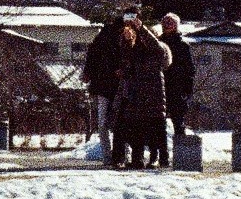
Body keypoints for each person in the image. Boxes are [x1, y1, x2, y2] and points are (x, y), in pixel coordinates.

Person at [117, 13, 172, 169]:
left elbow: (156, 48)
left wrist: (141, 28)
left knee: (156, 128)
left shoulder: (158, 50)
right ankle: (137, 158)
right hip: (137, 92)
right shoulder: (135, 50)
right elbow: (127, 60)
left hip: (153, 92)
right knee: (136, 127)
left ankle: (159, 158)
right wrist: (127, 38)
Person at [82, 13, 126, 162]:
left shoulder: (103, 36)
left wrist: (88, 73)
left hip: (106, 85)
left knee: (105, 124)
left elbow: (91, 56)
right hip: (113, 85)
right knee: (116, 124)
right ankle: (116, 156)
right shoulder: (111, 36)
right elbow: (92, 55)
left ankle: (111, 156)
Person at [158, 13, 194, 154]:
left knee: (178, 124)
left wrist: (187, 90)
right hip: (160, 87)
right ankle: (162, 156)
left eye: (170, 22)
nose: (166, 25)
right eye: (164, 22)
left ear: (176, 25)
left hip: (177, 89)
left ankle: (182, 155)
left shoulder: (183, 45)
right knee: (158, 125)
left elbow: (190, 69)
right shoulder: (158, 42)